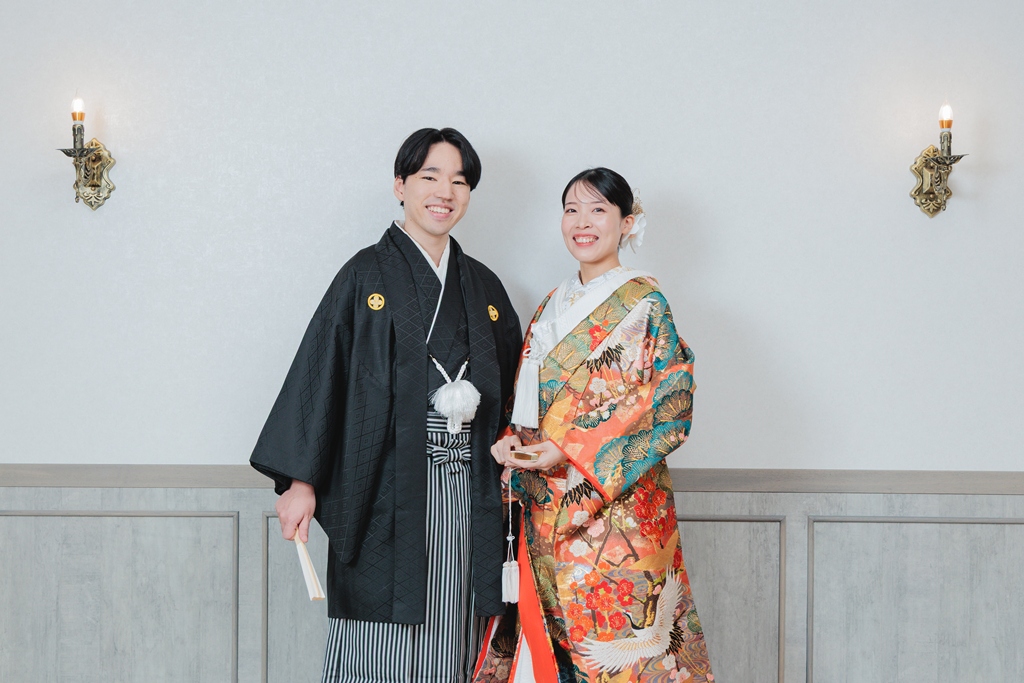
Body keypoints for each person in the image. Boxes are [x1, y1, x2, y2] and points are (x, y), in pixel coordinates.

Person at [250, 127, 523, 683]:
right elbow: (321, 372)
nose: (445, 192)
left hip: (469, 490)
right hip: (385, 490)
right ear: (400, 185)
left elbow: (515, 393)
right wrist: (300, 482)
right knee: (381, 640)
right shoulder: (364, 275)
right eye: (429, 176)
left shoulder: (484, 287)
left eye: (459, 181)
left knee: (457, 628)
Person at [473, 168, 714, 683]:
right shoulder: (550, 305)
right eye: (571, 210)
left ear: (626, 223)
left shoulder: (645, 304)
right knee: (554, 648)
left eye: (598, 210)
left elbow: (669, 404)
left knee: (622, 652)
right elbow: (527, 401)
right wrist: (511, 441)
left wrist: (566, 447)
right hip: (545, 508)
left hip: (616, 515)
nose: (582, 222)